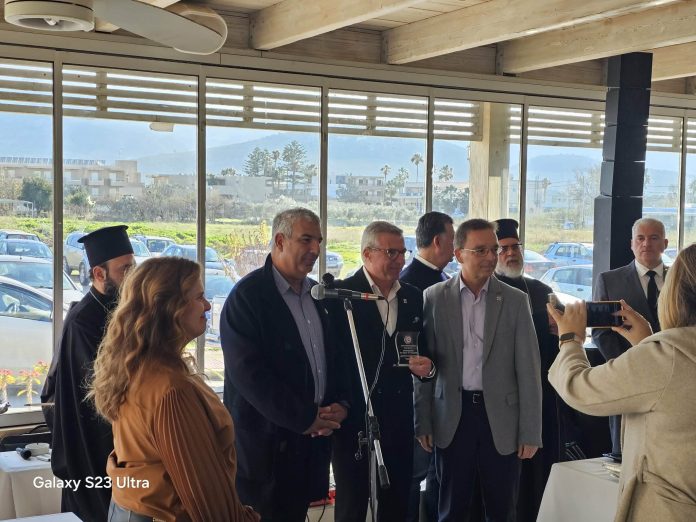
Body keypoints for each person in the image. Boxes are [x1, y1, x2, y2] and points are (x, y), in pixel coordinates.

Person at [89, 257, 259, 522]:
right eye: (199, 297)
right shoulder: (170, 389)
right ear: (169, 307)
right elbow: (202, 492)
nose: (207, 305)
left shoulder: (137, 366)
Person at [547, 244, 696, 521]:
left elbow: (579, 388)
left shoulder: (666, 358)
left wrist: (570, 340)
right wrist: (646, 343)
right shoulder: (667, 357)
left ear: (677, 294)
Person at [220, 208, 348, 522]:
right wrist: (306, 418)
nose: (315, 249)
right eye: (306, 240)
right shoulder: (247, 298)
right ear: (280, 241)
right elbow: (250, 377)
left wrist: (341, 405)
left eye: (318, 241)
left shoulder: (318, 295)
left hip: (308, 448)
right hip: (264, 454)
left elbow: (335, 361)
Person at [414, 218, 542, 522]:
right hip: (452, 416)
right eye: (480, 250)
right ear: (459, 254)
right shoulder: (434, 297)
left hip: (501, 418)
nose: (490, 257)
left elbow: (529, 369)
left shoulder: (515, 300)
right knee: (451, 508)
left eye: (493, 250)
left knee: (501, 509)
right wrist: (423, 421)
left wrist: (530, 430)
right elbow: (423, 367)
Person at [332, 220, 435, 522]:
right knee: (352, 503)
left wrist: (428, 369)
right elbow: (333, 358)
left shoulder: (413, 296)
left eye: (402, 252)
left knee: (398, 501)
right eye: (391, 253)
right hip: (354, 417)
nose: (399, 260)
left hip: (400, 418)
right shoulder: (343, 295)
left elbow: (425, 352)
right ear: (367, 254)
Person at [42, 225, 135, 521]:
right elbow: (103, 391)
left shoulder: (118, 309)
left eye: (133, 267)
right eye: (124, 269)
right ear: (99, 274)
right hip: (90, 447)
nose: (132, 276)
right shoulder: (84, 321)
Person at [494, 218, 574, 522]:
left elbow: (560, 341)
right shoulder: (486, 291)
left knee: (538, 470)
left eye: (515, 247)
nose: (511, 253)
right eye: (503, 249)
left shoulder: (541, 291)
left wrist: (562, 329)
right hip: (501, 398)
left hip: (540, 392)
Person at [593, 217, 668, 454]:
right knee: (626, 451)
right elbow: (601, 332)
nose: (647, 243)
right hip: (628, 376)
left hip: (670, 377)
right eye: (641, 238)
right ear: (632, 244)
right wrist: (626, 364)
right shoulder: (609, 280)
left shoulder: (682, 279)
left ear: (665, 244)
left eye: (654, 238)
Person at [400, 211, 454, 522]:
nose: (455, 247)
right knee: (415, 476)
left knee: (439, 476)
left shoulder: (442, 279)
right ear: (437, 241)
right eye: (453, 239)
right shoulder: (412, 285)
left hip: (447, 399)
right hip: (423, 398)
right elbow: (414, 352)